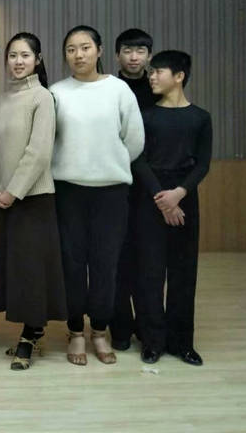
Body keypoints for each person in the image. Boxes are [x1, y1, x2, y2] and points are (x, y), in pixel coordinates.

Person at [50, 25, 144, 366]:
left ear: (100, 50)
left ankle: (100, 331)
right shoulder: (57, 92)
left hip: (111, 192)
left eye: (85, 47)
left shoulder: (119, 90)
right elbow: (50, 141)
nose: (78, 55)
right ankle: (76, 331)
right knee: (72, 263)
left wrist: (108, 164)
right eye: (71, 49)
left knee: (106, 263)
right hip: (68, 191)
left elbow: (134, 140)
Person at [0, 33, 67, 370]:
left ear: (38, 59)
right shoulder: (1, 100)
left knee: (32, 270)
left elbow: (39, 151)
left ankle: (31, 335)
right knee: (16, 269)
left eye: (25, 55)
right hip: (5, 199)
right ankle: (30, 330)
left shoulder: (42, 97)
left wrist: (13, 191)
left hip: (33, 198)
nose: (18, 62)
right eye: (13, 55)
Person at [133, 51, 212, 366]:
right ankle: (152, 341)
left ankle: (182, 343)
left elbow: (203, 164)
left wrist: (178, 194)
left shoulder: (200, 117)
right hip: (151, 195)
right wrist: (162, 197)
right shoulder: (146, 116)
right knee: (149, 273)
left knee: (183, 272)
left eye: (158, 72)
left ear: (179, 76)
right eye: (151, 72)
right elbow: (138, 159)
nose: (151, 77)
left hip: (185, 195)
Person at [111, 28, 161, 351]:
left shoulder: (158, 90)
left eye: (140, 51)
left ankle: (147, 326)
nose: (133, 57)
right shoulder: (108, 88)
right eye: (127, 51)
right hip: (115, 184)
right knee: (115, 259)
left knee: (147, 261)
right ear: (117, 55)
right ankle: (119, 327)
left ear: (149, 56)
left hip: (150, 186)